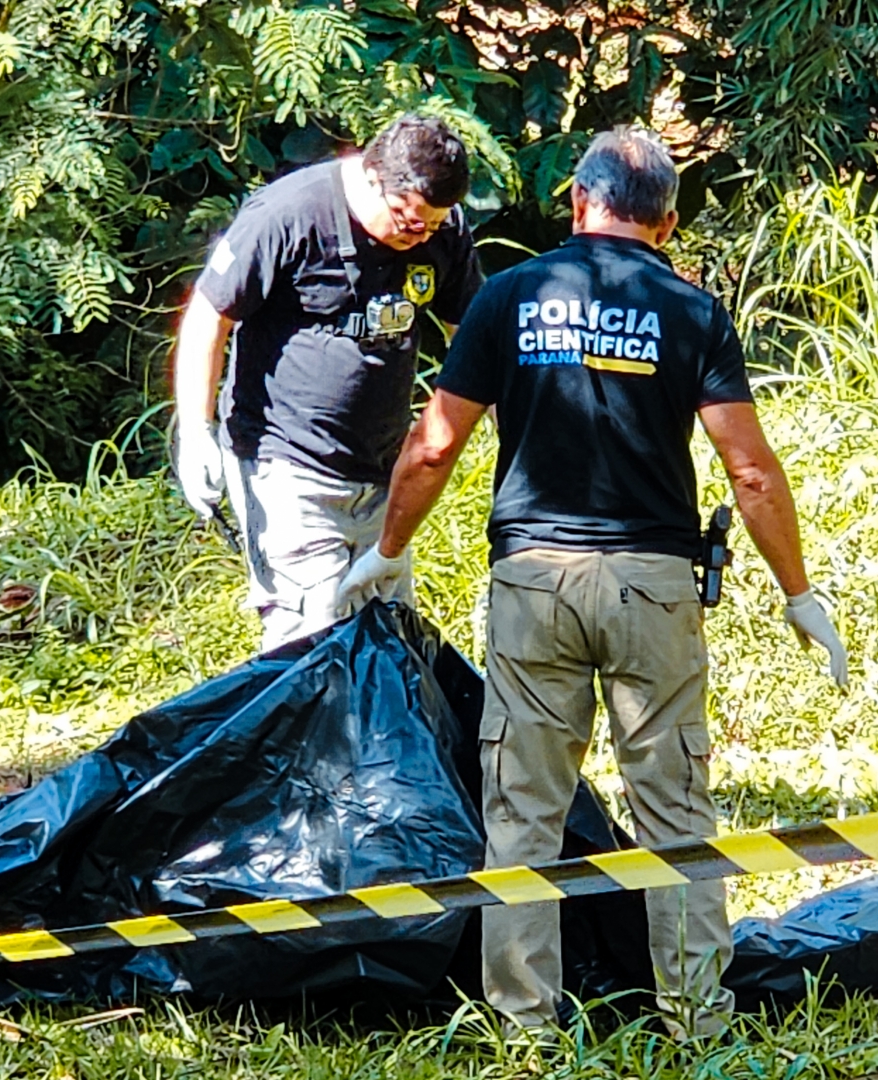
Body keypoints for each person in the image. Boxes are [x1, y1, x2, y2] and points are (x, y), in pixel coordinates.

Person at [337, 126, 849, 1038]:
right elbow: (752, 470)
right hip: (653, 584)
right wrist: (797, 591)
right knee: (675, 807)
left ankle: (525, 1026)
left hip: (533, 581)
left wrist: (385, 550)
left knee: (523, 810)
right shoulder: (693, 312)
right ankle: (696, 1017)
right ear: (669, 222)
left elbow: (436, 442)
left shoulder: (507, 297)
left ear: (579, 203)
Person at [173, 115, 483, 651]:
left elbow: (478, 343)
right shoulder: (289, 214)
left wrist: (526, 436)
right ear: (373, 179)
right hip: (285, 464)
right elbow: (208, 316)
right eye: (410, 223)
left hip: (383, 474)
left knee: (389, 642)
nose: (420, 237)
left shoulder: (443, 230)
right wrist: (197, 431)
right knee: (312, 645)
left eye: (432, 226)